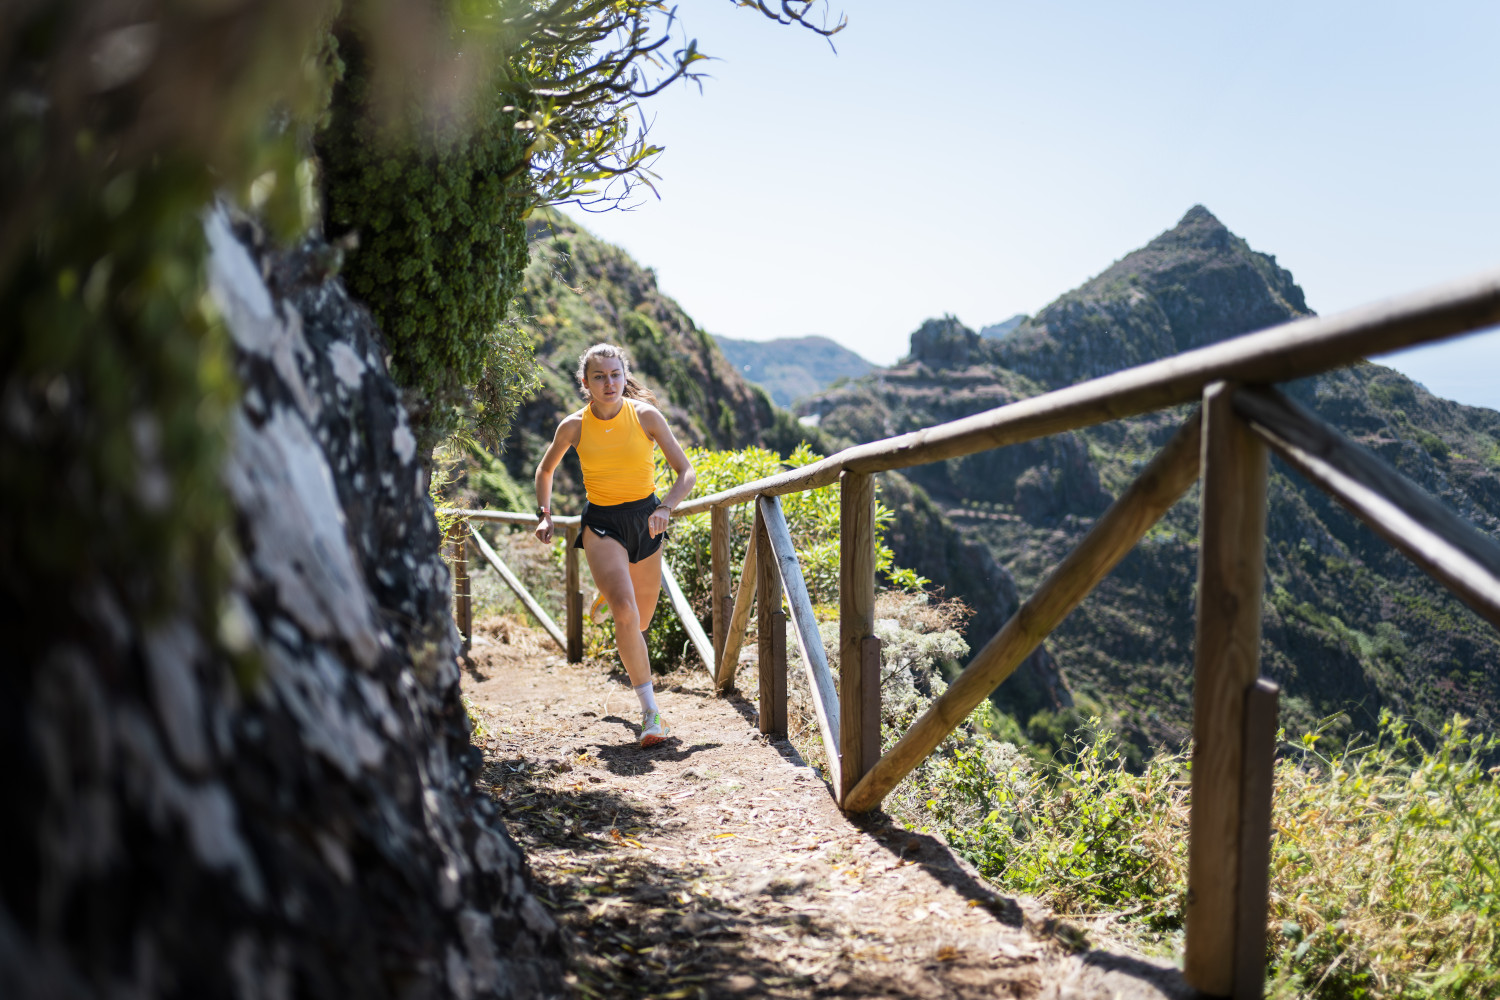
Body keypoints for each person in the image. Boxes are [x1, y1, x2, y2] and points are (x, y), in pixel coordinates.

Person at [533, 343, 696, 747]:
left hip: (646, 521)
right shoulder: (574, 426)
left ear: (625, 376)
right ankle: (651, 714)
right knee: (626, 612)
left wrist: (666, 507)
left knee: (639, 623)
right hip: (602, 523)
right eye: (599, 376)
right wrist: (545, 514)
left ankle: (609, 595)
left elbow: (686, 472)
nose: (609, 383)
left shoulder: (645, 416)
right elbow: (545, 469)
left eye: (615, 374)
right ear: (585, 383)